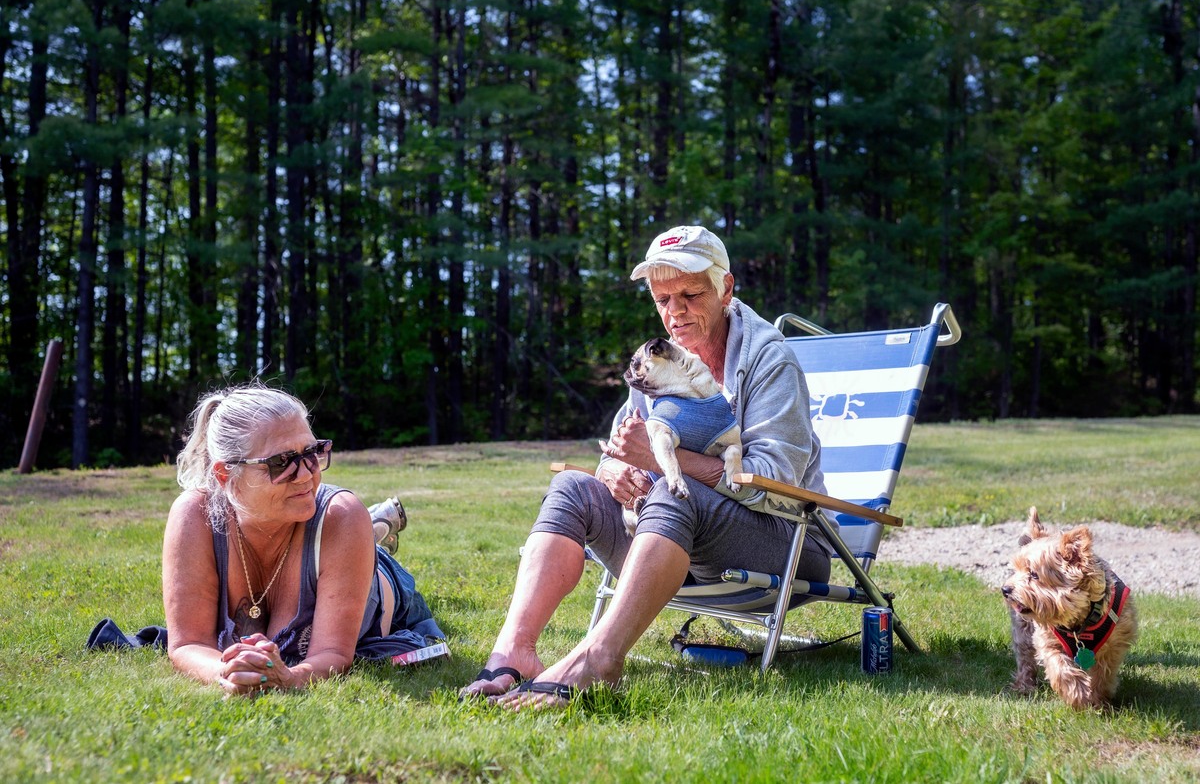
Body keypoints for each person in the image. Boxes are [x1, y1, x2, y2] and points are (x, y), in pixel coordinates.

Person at [459, 225, 834, 708]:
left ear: (726, 288)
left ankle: (599, 658)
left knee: (676, 493)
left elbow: (775, 483)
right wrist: (610, 469)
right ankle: (514, 652)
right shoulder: (658, 363)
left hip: (784, 541)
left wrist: (670, 462)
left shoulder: (768, 360)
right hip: (673, 544)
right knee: (573, 486)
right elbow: (625, 445)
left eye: (690, 294)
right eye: (662, 299)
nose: (674, 312)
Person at [164, 383, 443, 695]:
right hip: (333, 545)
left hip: (379, 582)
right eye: (281, 462)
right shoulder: (196, 514)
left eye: (311, 453)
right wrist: (227, 674)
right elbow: (188, 643)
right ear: (225, 475)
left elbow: (334, 654)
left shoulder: (344, 516)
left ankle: (373, 539)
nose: (307, 474)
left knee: (353, 532)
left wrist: (287, 678)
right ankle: (378, 527)